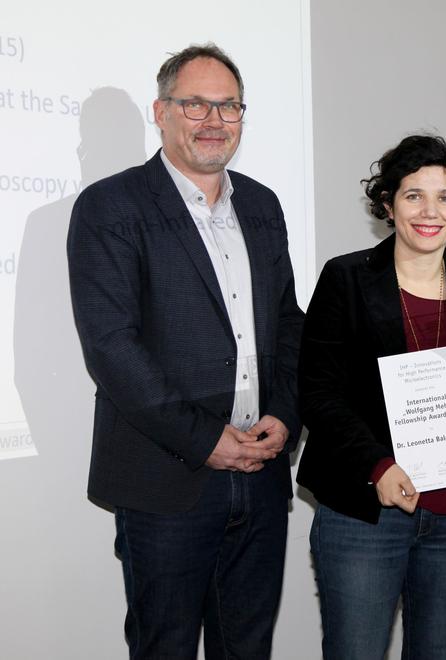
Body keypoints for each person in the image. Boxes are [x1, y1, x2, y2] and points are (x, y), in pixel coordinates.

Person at [67, 43, 303, 659]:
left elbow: (286, 322)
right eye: (195, 103)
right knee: (164, 648)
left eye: (228, 106)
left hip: (262, 472)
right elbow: (112, 347)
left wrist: (285, 413)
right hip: (165, 480)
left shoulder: (262, 204)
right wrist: (204, 440)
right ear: (161, 111)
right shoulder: (111, 206)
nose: (213, 119)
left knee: (247, 648)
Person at [297, 135, 446, 660]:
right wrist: (378, 467)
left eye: (445, 197)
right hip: (364, 512)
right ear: (388, 202)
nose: (429, 211)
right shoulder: (345, 278)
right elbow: (317, 392)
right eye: (413, 195)